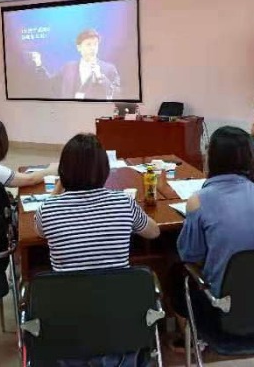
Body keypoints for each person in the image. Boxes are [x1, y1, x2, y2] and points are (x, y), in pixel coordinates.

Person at [34, 133, 160, 366]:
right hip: (120, 327)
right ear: (104, 170)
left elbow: (39, 232)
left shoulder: (47, 211)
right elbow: (154, 233)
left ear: (63, 171)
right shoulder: (123, 202)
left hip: (67, 330)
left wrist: (58, 190)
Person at [173, 126, 254, 337]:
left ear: (211, 158)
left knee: (173, 271)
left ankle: (185, 336)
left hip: (222, 303)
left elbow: (190, 255)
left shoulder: (199, 199)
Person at [34, 29, 120, 100]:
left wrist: (101, 77)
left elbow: (117, 94)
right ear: (79, 47)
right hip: (69, 115)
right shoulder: (68, 67)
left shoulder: (108, 68)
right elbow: (50, 83)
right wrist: (39, 65)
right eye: (88, 44)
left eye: (95, 44)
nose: (93, 48)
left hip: (96, 116)